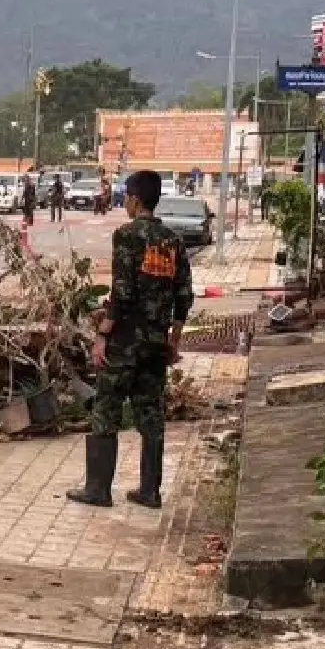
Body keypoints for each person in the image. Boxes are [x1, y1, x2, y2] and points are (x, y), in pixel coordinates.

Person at [69, 169, 193, 510]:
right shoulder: (173, 241)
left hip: (124, 341)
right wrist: (175, 340)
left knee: (106, 410)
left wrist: (102, 335)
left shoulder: (126, 235)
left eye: (126, 196)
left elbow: (122, 292)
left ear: (136, 199)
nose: (124, 202)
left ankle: (98, 489)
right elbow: (184, 296)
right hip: (156, 343)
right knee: (151, 415)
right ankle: (149, 491)